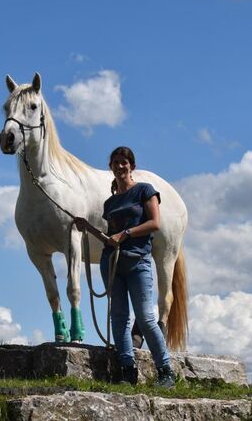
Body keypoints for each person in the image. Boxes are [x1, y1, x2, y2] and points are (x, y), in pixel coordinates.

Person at [99, 146, 175, 388]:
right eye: (116, 162)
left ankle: (165, 370)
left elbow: (155, 223)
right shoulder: (109, 203)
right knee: (118, 318)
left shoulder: (145, 191)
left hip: (138, 261)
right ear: (111, 167)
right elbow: (112, 236)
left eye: (124, 162)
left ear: (131, 165)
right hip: (112, 263)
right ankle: (127, 371)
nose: (120, 166)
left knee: (144, 317)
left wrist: (126, 233)